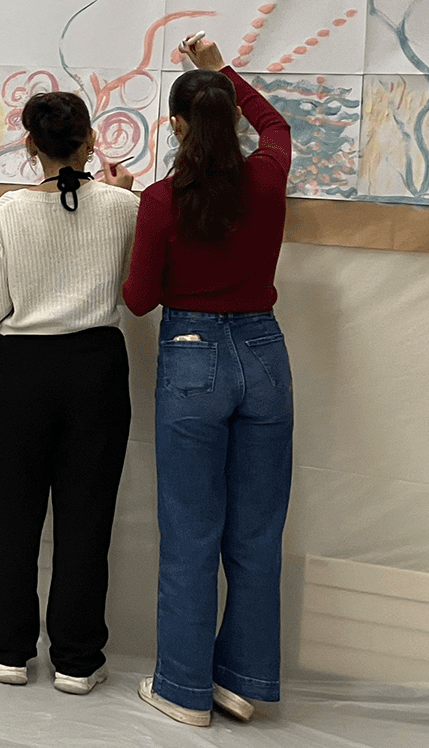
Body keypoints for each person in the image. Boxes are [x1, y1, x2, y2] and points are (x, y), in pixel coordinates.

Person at [124, 36, 292, 727]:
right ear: (232, 121)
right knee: (256, 534)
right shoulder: (268, 176)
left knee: (191, 533)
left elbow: (138, 299)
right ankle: (242, 683)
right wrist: (219, 69)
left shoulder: (162, 201)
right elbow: (278, 125)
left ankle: (185, 690)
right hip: (265, 355)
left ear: (176, 127)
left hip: (193, 355)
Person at [0, 92, 138, 695]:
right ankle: (76, 656)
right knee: (87, 515)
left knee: (12, 513)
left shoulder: (5, 212)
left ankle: (8, 648)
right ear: (91, 142)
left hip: (21, 368)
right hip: (97, 366)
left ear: (29, 146)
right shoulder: (125, 207)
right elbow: (134, 282)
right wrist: (124, 192)